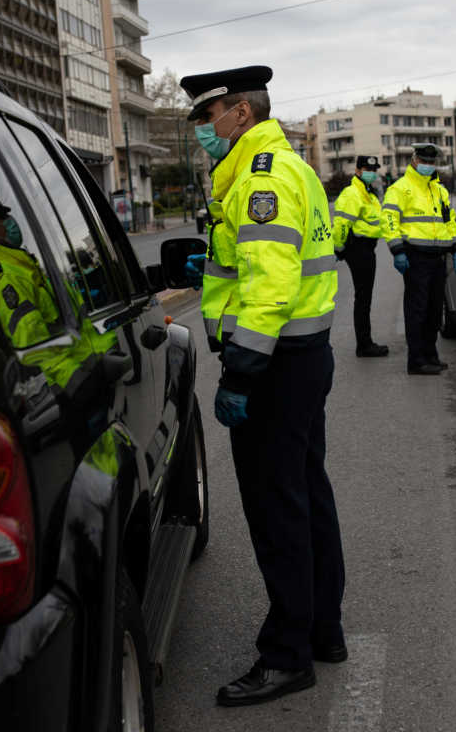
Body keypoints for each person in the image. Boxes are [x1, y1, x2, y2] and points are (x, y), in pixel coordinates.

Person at [180, 65, 346, 707]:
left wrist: (240, 371)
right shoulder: (284, 166)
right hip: (302, 357)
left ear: (240, 113)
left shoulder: (262, 179)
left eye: (207, 117)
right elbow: (252, 266)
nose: (203, 131)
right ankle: (321, 629)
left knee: (277, 509)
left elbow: (270, 289)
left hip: (274, 363)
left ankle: (286, 656)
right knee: (306, 494)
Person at [381, 144, 456, 375]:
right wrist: (397, 250)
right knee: (417, 310)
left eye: (431, 161)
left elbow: (450, 222)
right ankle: (416, 361)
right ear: (414, 160)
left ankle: (430, 354)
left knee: (434, 310)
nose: (428, 165)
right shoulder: (400, 189)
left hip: (438, 258)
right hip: (415, 258)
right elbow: (388, 220)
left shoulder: (439, 191)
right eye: (424, 160)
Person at [0, 186, 60, 350]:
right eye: (2, 217)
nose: (10, 219)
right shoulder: (10, 276)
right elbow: (39, 350)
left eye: (7, 214)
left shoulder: (24, 266)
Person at [333, 155, 388, 357]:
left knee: (364, 297)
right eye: (367, 169)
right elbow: (341, 223)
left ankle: (365, 342)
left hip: (366, 248)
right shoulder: (352, 193)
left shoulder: (368, 194)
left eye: (373, 169)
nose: (371, 172)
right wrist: (338, 249)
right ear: (357, 170)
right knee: (363, 298)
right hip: (358, 248)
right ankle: (364, 345)